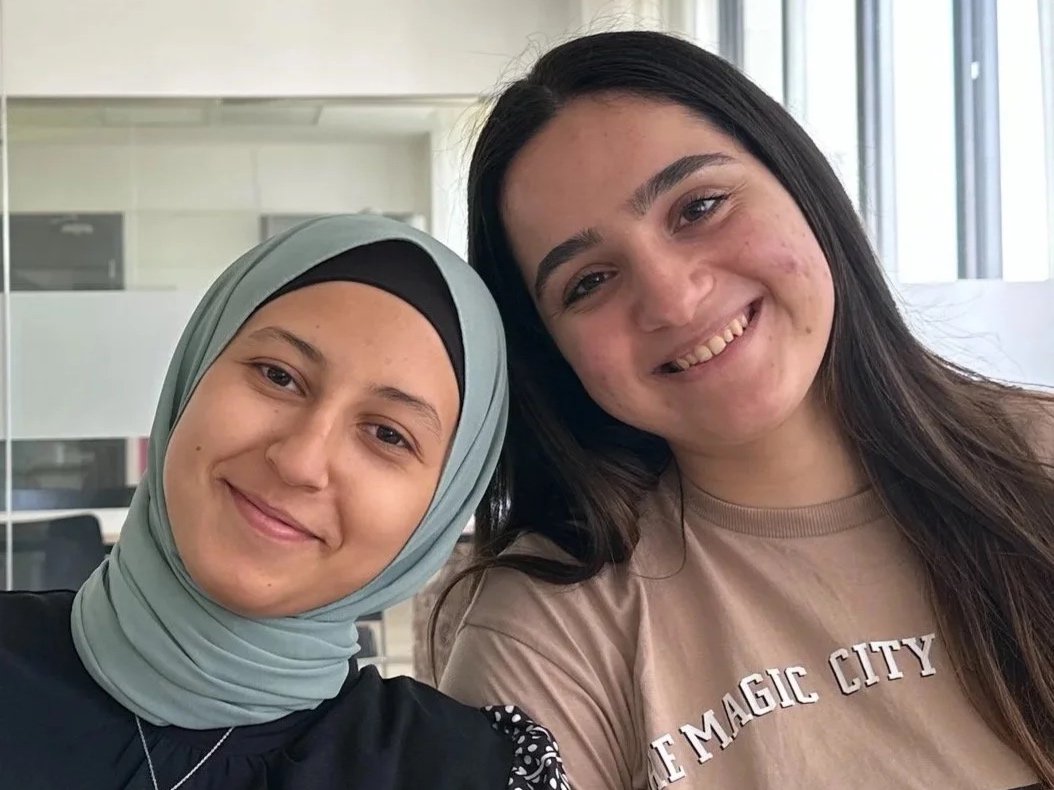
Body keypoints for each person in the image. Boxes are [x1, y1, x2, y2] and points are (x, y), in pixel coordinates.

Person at [438, 30, 1054, 790]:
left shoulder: (1040, 462)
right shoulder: (549, 632)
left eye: (699, 207)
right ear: (551, 350)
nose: (672, 299)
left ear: (802, 186)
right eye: (588, 282)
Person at [0, 215, 570, 790]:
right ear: (192, 374)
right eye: (278, 376)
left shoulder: (476, 774)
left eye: (388, 434)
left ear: (441, 508)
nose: (300, 461)